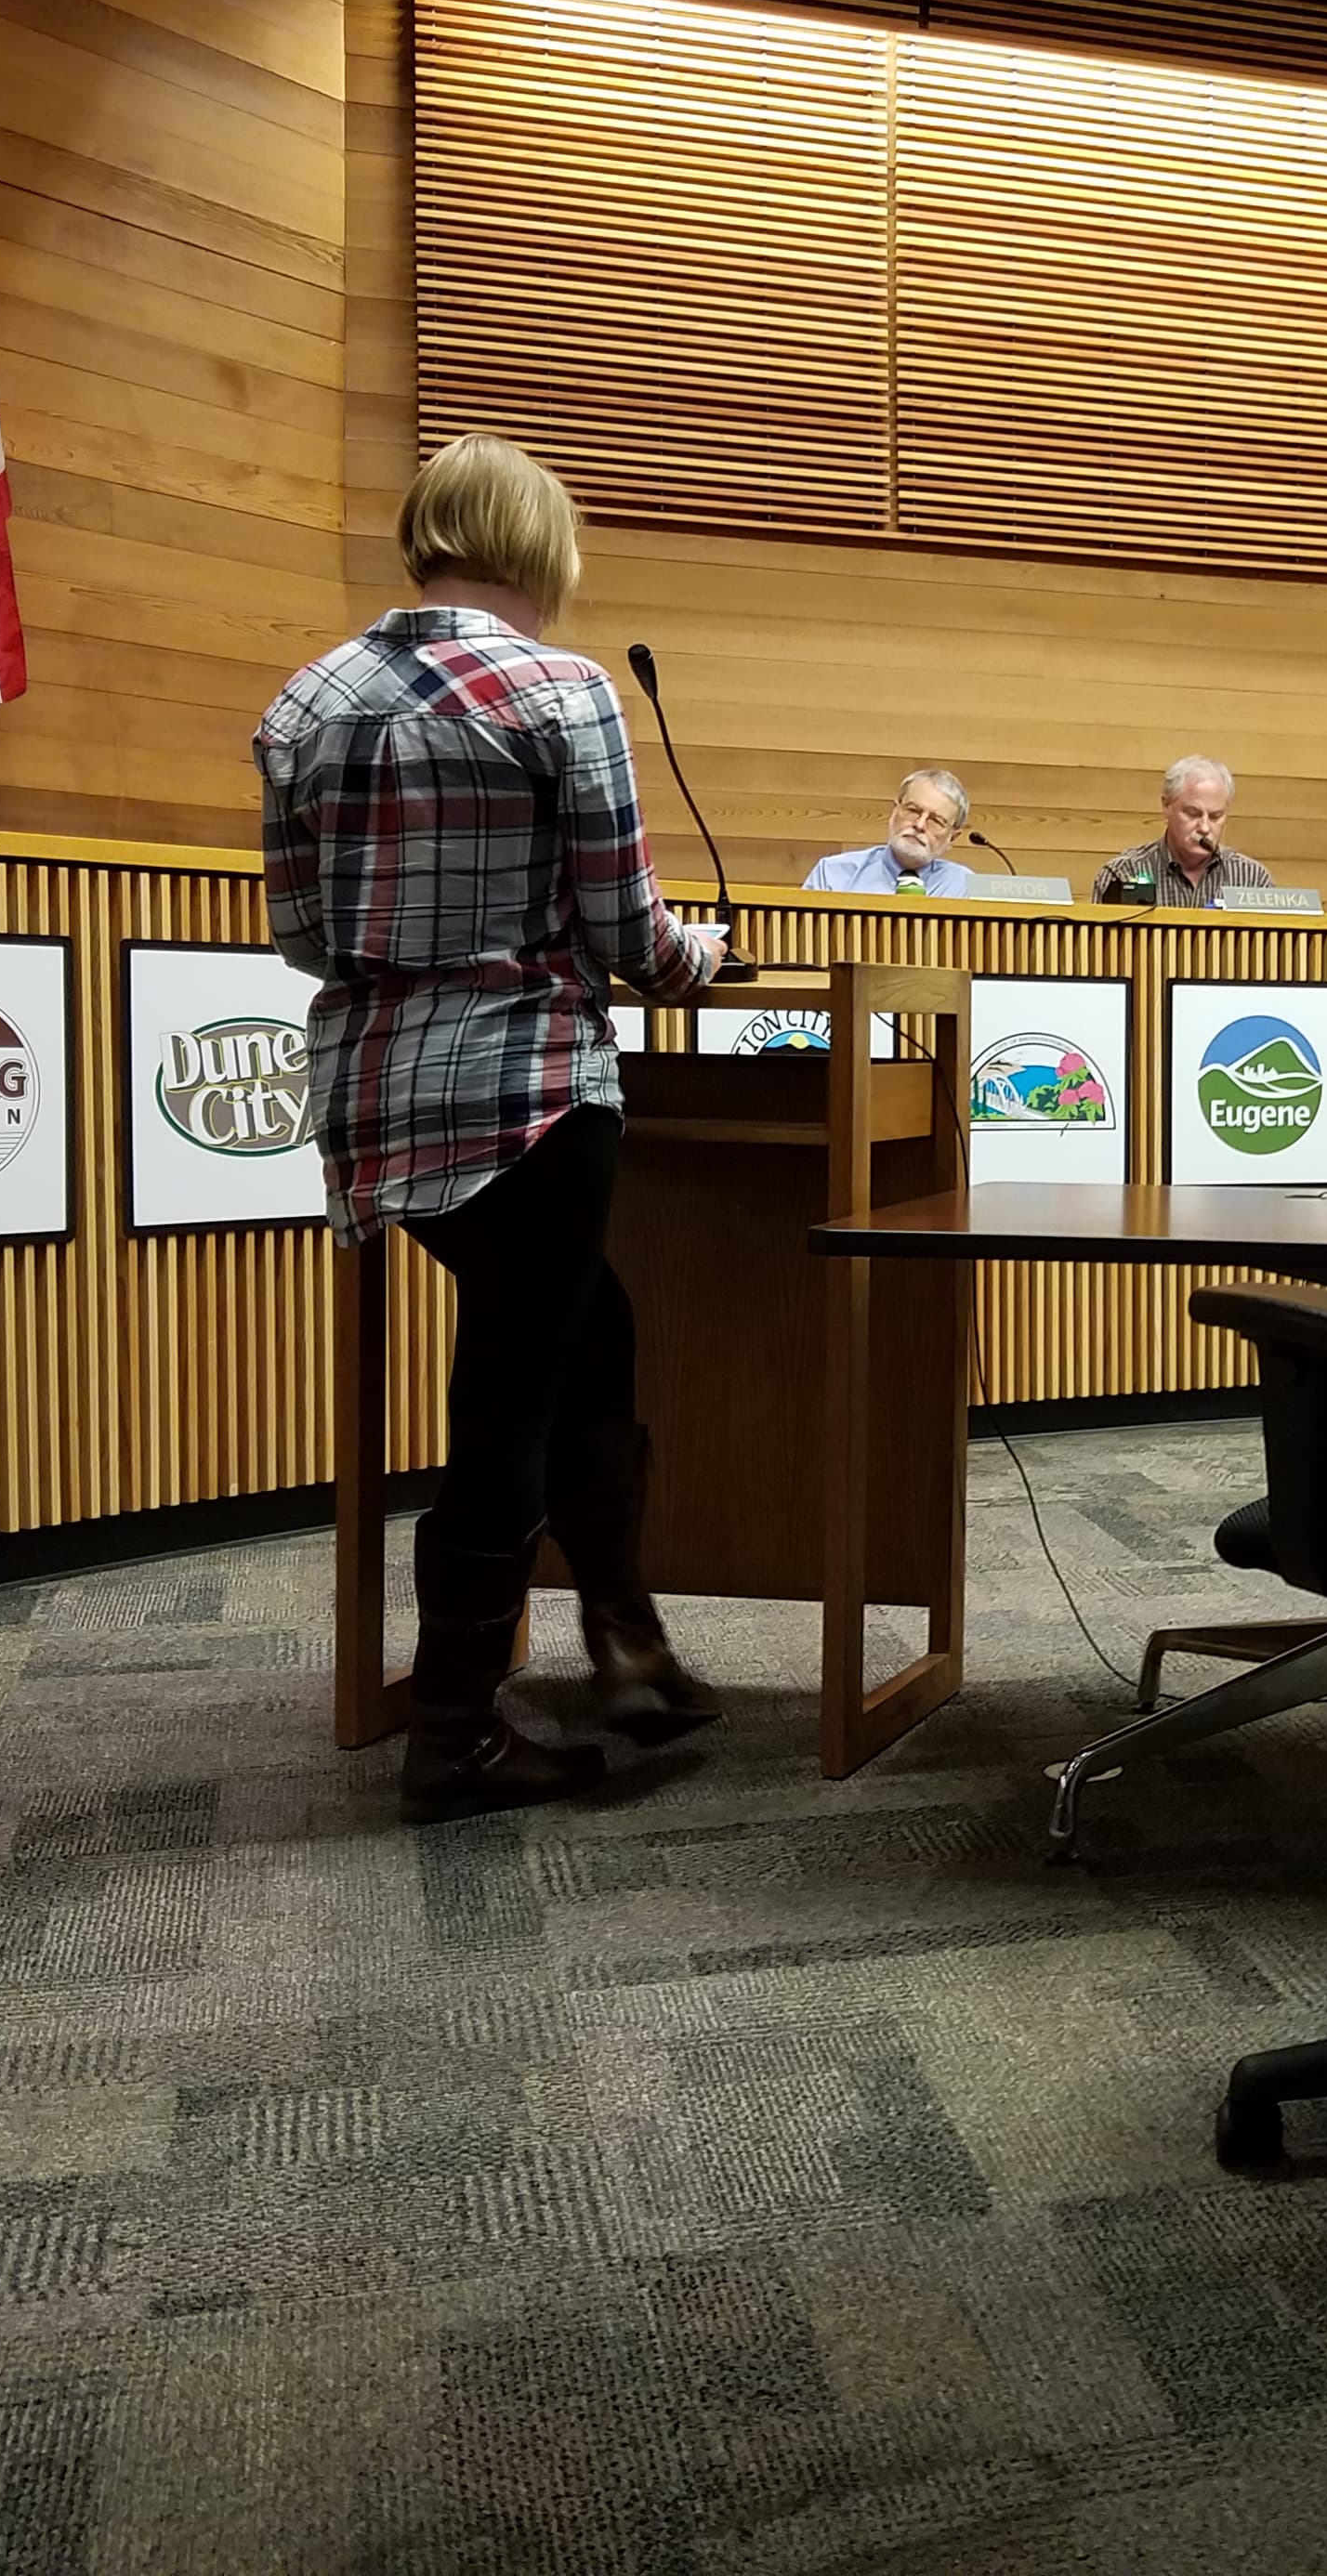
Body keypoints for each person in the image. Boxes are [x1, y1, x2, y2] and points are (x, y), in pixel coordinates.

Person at [258, 434, 729, 1823]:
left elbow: (297, 936)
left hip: (373, 1089)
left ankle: (629, 1642)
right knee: (513, 1396)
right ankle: (456, 1733)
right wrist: (697, 957)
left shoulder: (305, 699)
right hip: (527, 1089)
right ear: (540, 550)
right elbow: (624, 933)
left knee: (593, 1336)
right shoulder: (561, 689)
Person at [1096, 755, 1276, 907]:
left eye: (1215, 817)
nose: (1204, 828)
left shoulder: (1251, 880)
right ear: (1167, 805)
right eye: (1193, 814)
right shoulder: (1123, 873)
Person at [803, 769, 976, 896]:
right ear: (894, 810)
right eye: (913, 811)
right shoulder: (833, 874)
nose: (920, 825)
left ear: (952, 838)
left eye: (936, 821)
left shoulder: (966, 886)